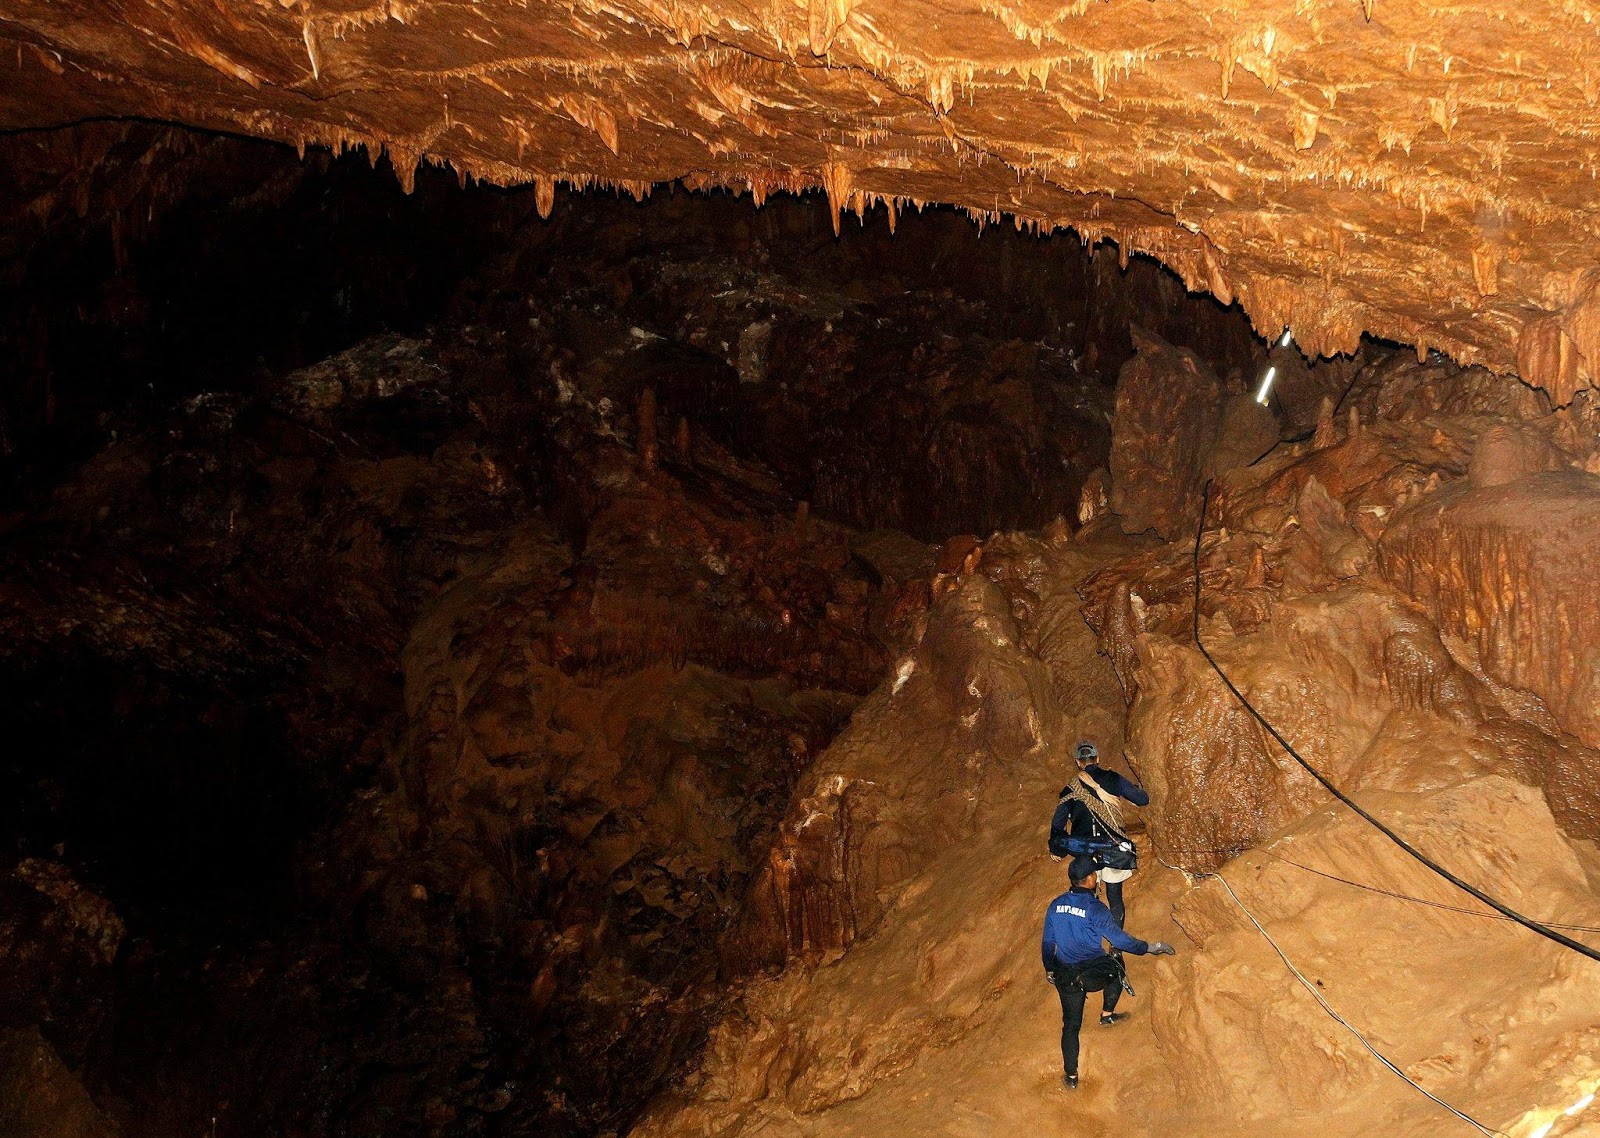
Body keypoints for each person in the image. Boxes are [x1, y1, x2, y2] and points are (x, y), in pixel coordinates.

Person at [1041, 856, 1176, 1089]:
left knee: (1071, 1026)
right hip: (1092, 971)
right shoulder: (1096, 909)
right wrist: (1149, 948)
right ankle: (1106, 1015)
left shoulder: (1055, 905)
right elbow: (1120, 940)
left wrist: (1050, 969)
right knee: (1116, 964)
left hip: (1066, 976)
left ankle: (1071, 1077)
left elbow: (1047, 943)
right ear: (1091, 878)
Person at [1048, 741, 1148, 926]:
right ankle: (1116, 950)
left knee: (1087, 898)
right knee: (1115, 898)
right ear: (1098, 759)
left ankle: (1089, 940)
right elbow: (1142, 799)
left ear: (1078, 762)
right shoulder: (1114, 779)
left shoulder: (1069, 789)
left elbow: (1057, 824)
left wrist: (1056, 849)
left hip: (1085, 851)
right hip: (1112, 849)